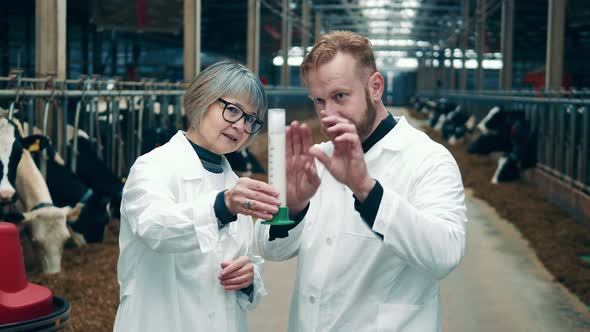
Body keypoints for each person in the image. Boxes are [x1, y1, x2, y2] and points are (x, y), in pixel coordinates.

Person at [255, 31, 468, 331]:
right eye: (318, 100)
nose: (327, 113)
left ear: (375, 87)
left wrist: (366, 190)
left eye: (340, 96)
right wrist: (292, 208)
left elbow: (445, 254)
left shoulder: (428, 159)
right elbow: (271, 250)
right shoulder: (316, 159)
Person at [114, 61, 280, 332]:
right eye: (233, 110)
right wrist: (221, 207)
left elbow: (249, 270)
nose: (240, 126)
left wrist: (249, 280)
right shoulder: (153, 167)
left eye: (250, 119)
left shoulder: (235, 185)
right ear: (202, 99)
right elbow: (154, 227)